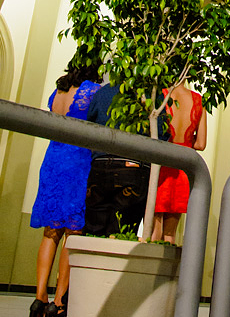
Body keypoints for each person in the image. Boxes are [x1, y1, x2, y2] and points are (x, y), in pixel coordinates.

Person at [28, 60, 101, 317]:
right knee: (73, 232)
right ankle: (58, 303)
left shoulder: (58, 90)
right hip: (78, 160)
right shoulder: (91, 91)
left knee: (50, 232)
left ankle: (38, 298)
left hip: (53, 158)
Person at [83, 82, 162, 238]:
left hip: (100, 165)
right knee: (121, 233)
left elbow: (89, 126)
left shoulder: (103, 92)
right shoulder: (151, 95)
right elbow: (160, 134)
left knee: (93, 232)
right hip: (134, 166)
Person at [152, 82, 207, 243]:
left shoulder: (161, 96)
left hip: (161, 163)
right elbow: (200, 144)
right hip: (183, 167)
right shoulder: (198, 100)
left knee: (154, 229)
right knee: (170, 233)